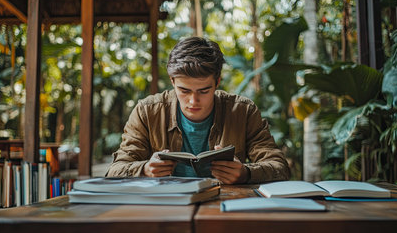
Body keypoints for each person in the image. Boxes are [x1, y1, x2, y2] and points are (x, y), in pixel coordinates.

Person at [106, 36, 289, 184]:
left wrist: (245, 173)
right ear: (172, 81)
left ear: (217, 82)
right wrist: (145, 169)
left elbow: (279, 167)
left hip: (224, 206)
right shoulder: (147, 112)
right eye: (184, 91)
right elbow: (114, 170)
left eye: (204, 91)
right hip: (165, 207)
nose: (193, 101)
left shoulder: (243, 112)